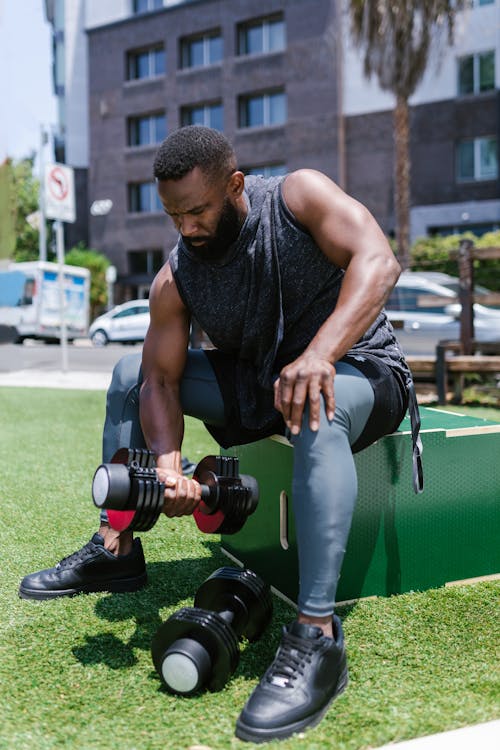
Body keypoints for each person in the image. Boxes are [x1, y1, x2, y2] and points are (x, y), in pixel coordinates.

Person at [19, 125, 421, 743]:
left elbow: (379, 260)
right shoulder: (178, 274)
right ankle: (116, 550)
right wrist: (170, 463)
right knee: (128, 372)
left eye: (198, 210)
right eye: (173, 215)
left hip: (360, 369)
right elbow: (158, 379)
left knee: (317, 401)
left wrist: (320, 354)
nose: (187, 227)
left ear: (234, 185)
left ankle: (316, 638)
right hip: (262, 383)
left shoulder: (297, 198)